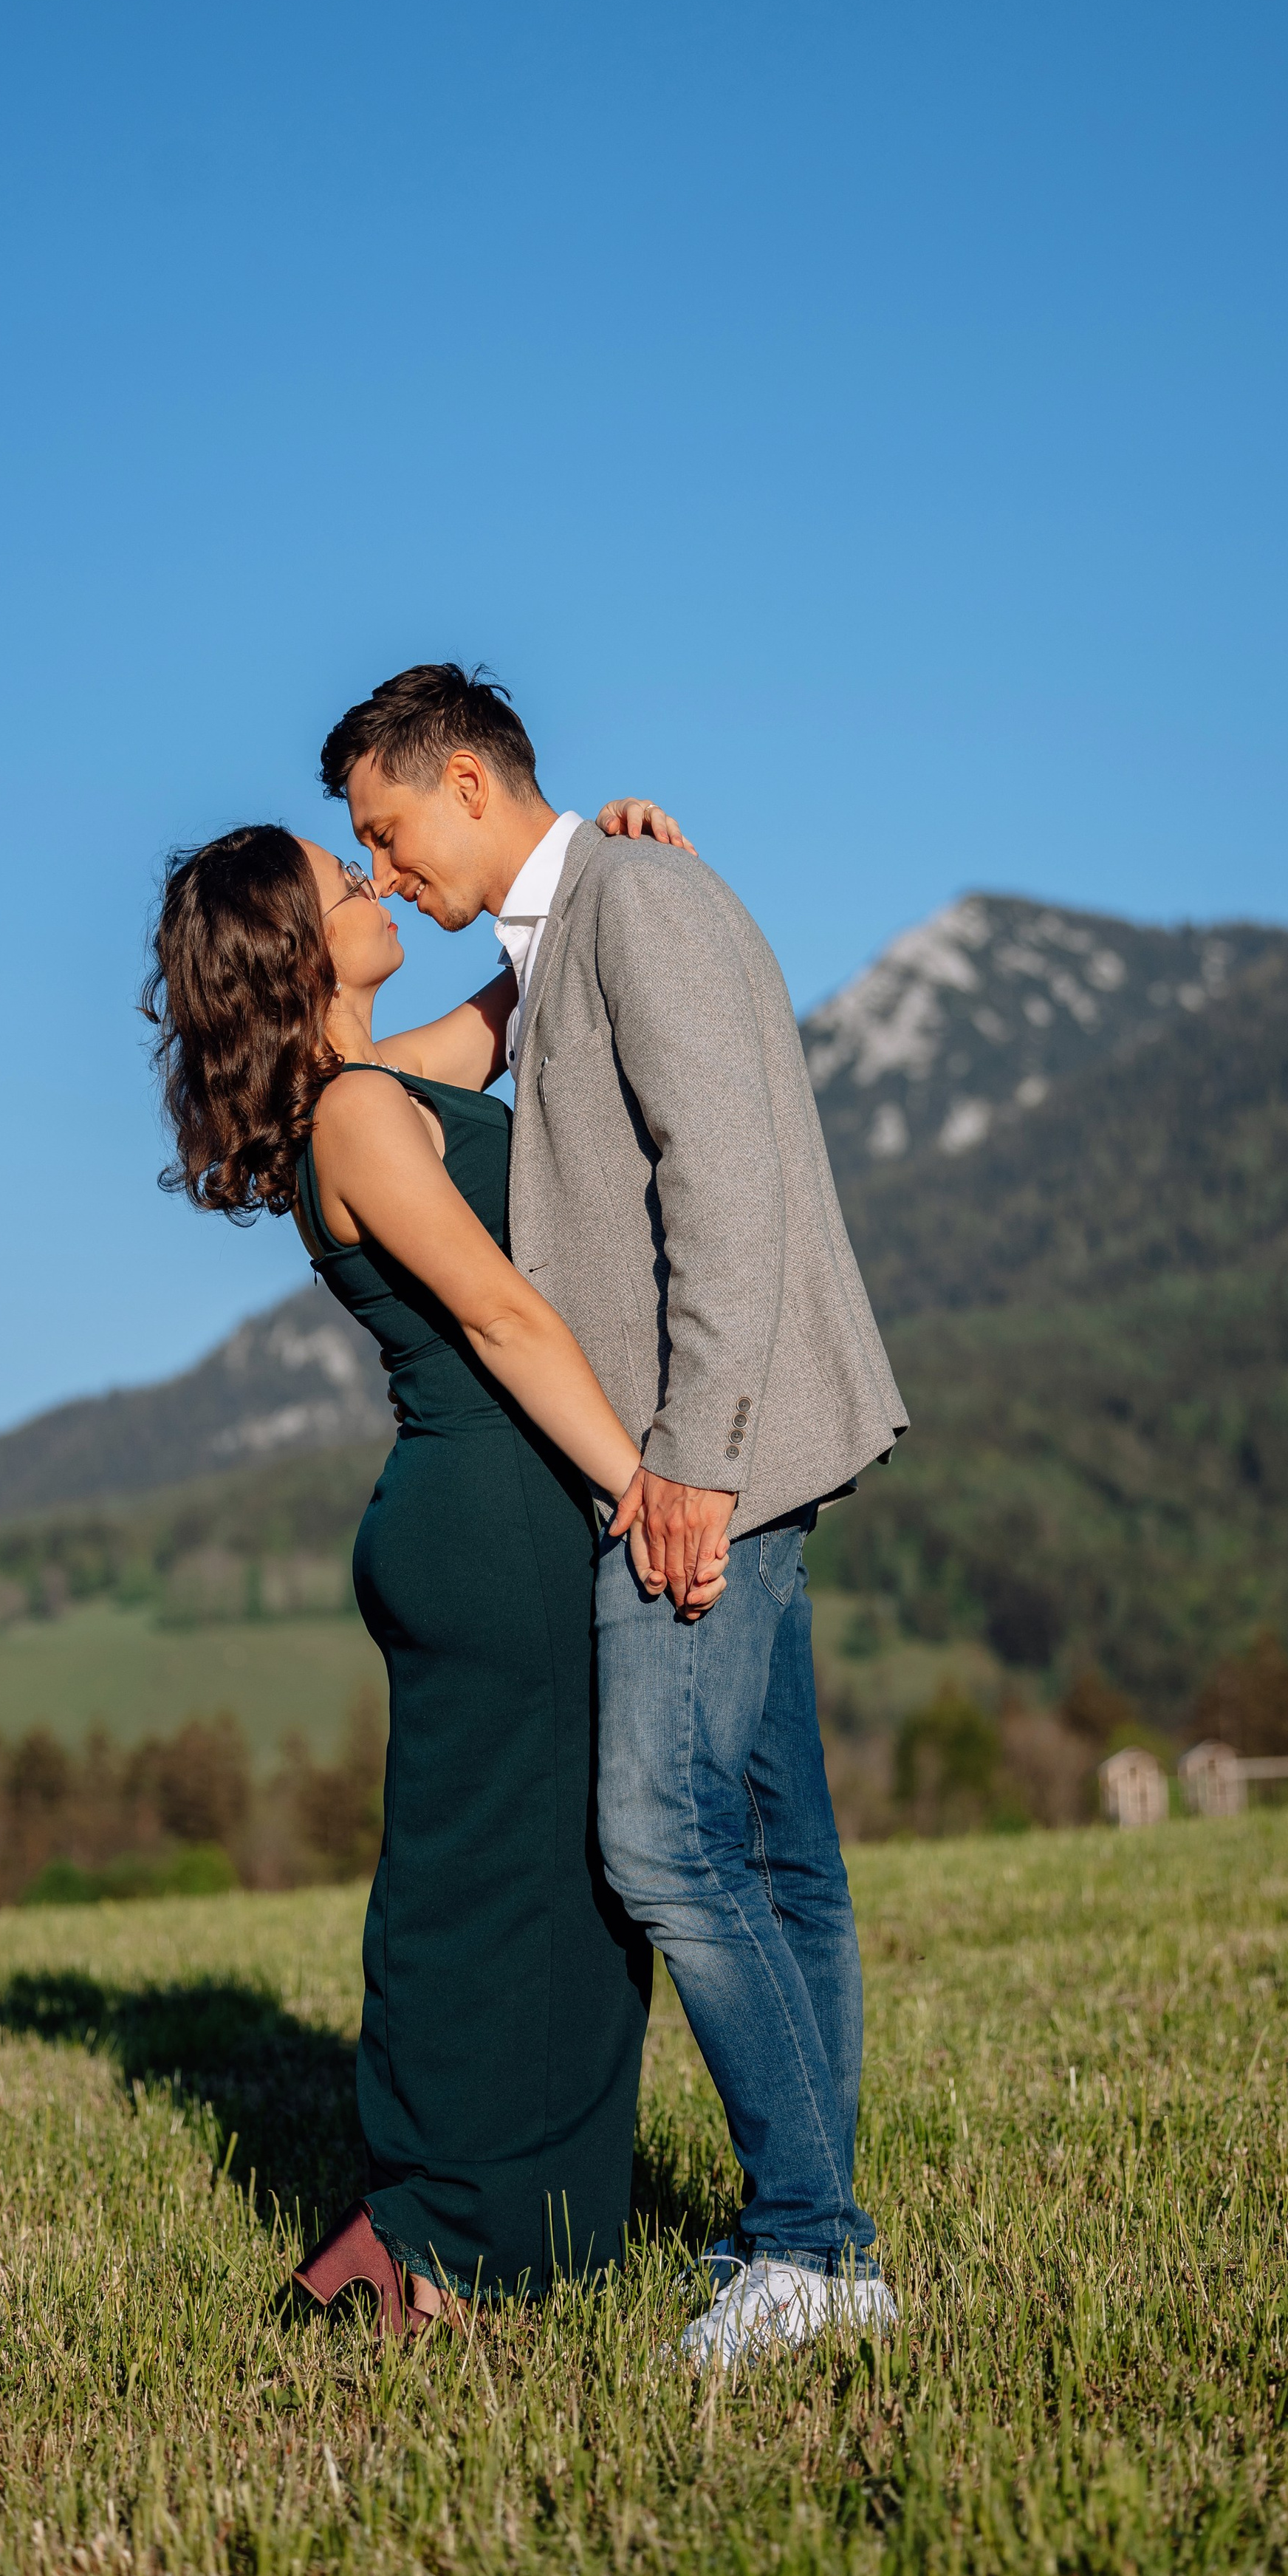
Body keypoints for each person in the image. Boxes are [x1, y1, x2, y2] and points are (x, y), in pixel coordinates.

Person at [322, 663, 910, 2371]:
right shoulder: (588, 914)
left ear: (464, 778)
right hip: (711, 1449)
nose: (383, 869)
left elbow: (723, 1190)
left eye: (386, 828)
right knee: (781, 1855)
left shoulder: (631, 903)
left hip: (700, 1457)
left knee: (659, 1835)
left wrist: (695, 1461)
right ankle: (815, 2244)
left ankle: (806, 2244)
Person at [144, 791, 710, 2335]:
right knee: (490, 1888)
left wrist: (607, 861)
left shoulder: (380, 1082)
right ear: (295, 945)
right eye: (347, 878)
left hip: (514, 1510)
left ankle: (524, 2229)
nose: (376, 882)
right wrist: (644, 1492)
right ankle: (429, 2236)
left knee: (575, 1877)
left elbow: (529, 995)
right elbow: (503, 1319)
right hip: (498, 1518)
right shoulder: (350, 1118)